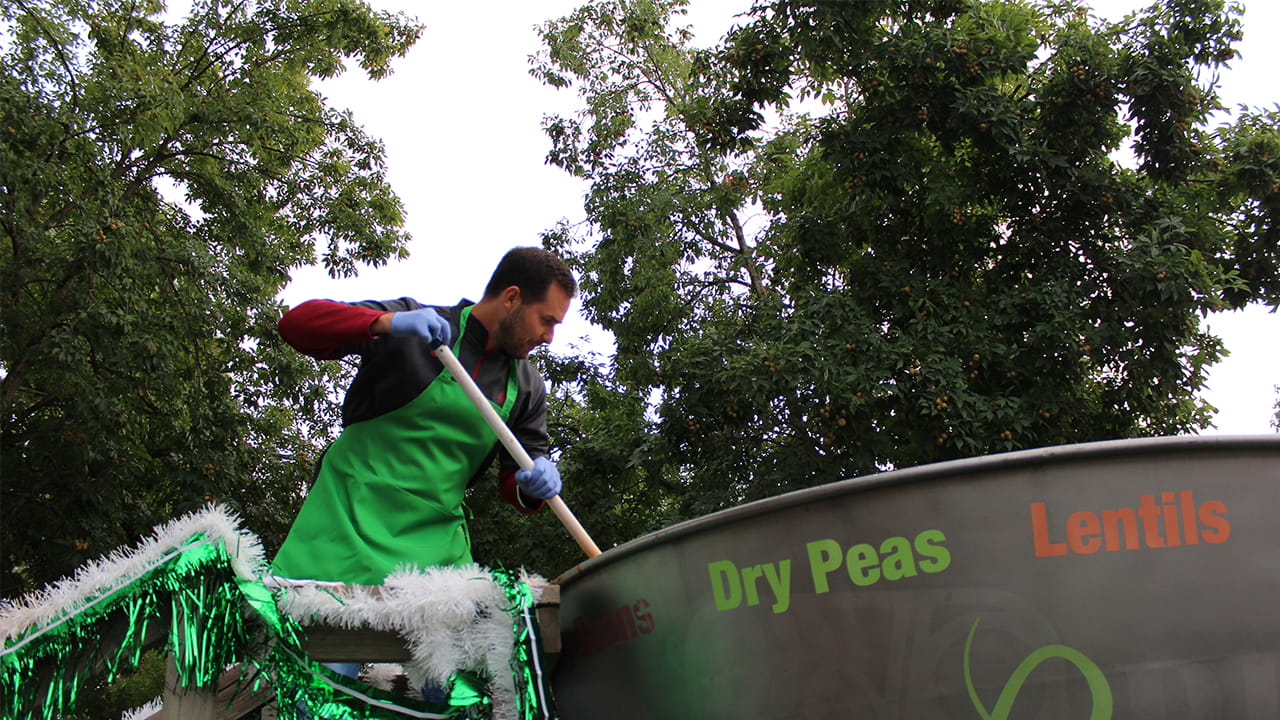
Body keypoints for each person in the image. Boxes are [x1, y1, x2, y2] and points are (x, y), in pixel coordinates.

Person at [270, 247, 576, 587]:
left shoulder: (527, 387)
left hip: (437, 562)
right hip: (344, 530)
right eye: (546, 320)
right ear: (512, 298)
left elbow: (515, 480)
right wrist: (388, 323)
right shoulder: (414, 327)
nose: (549, 337)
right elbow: (296, 324)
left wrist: (533, 484)